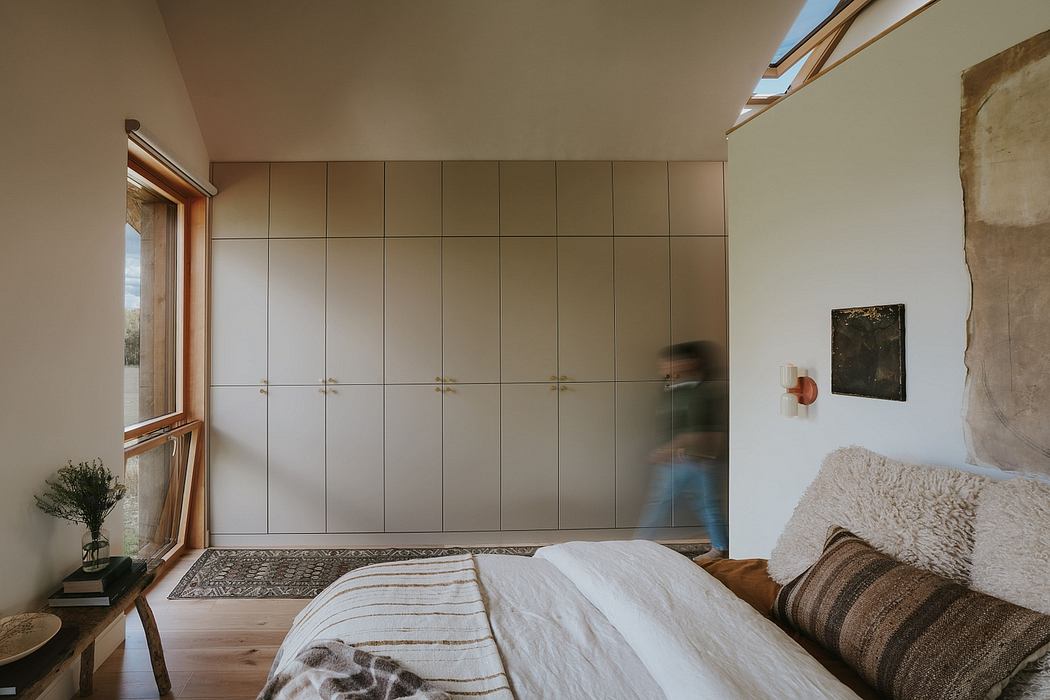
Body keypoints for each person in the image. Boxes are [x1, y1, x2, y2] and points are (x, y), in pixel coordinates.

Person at [636, 341, 729, 563]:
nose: (664, 367)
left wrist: (665, 450)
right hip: (679, 458)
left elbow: (699, 432)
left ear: (688, 362)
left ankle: (638, 547)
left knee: (663, 505)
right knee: (702, 504)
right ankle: (720, 548)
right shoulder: (673, 390)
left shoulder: (700, 393)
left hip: (692, 459)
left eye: (669, 362)